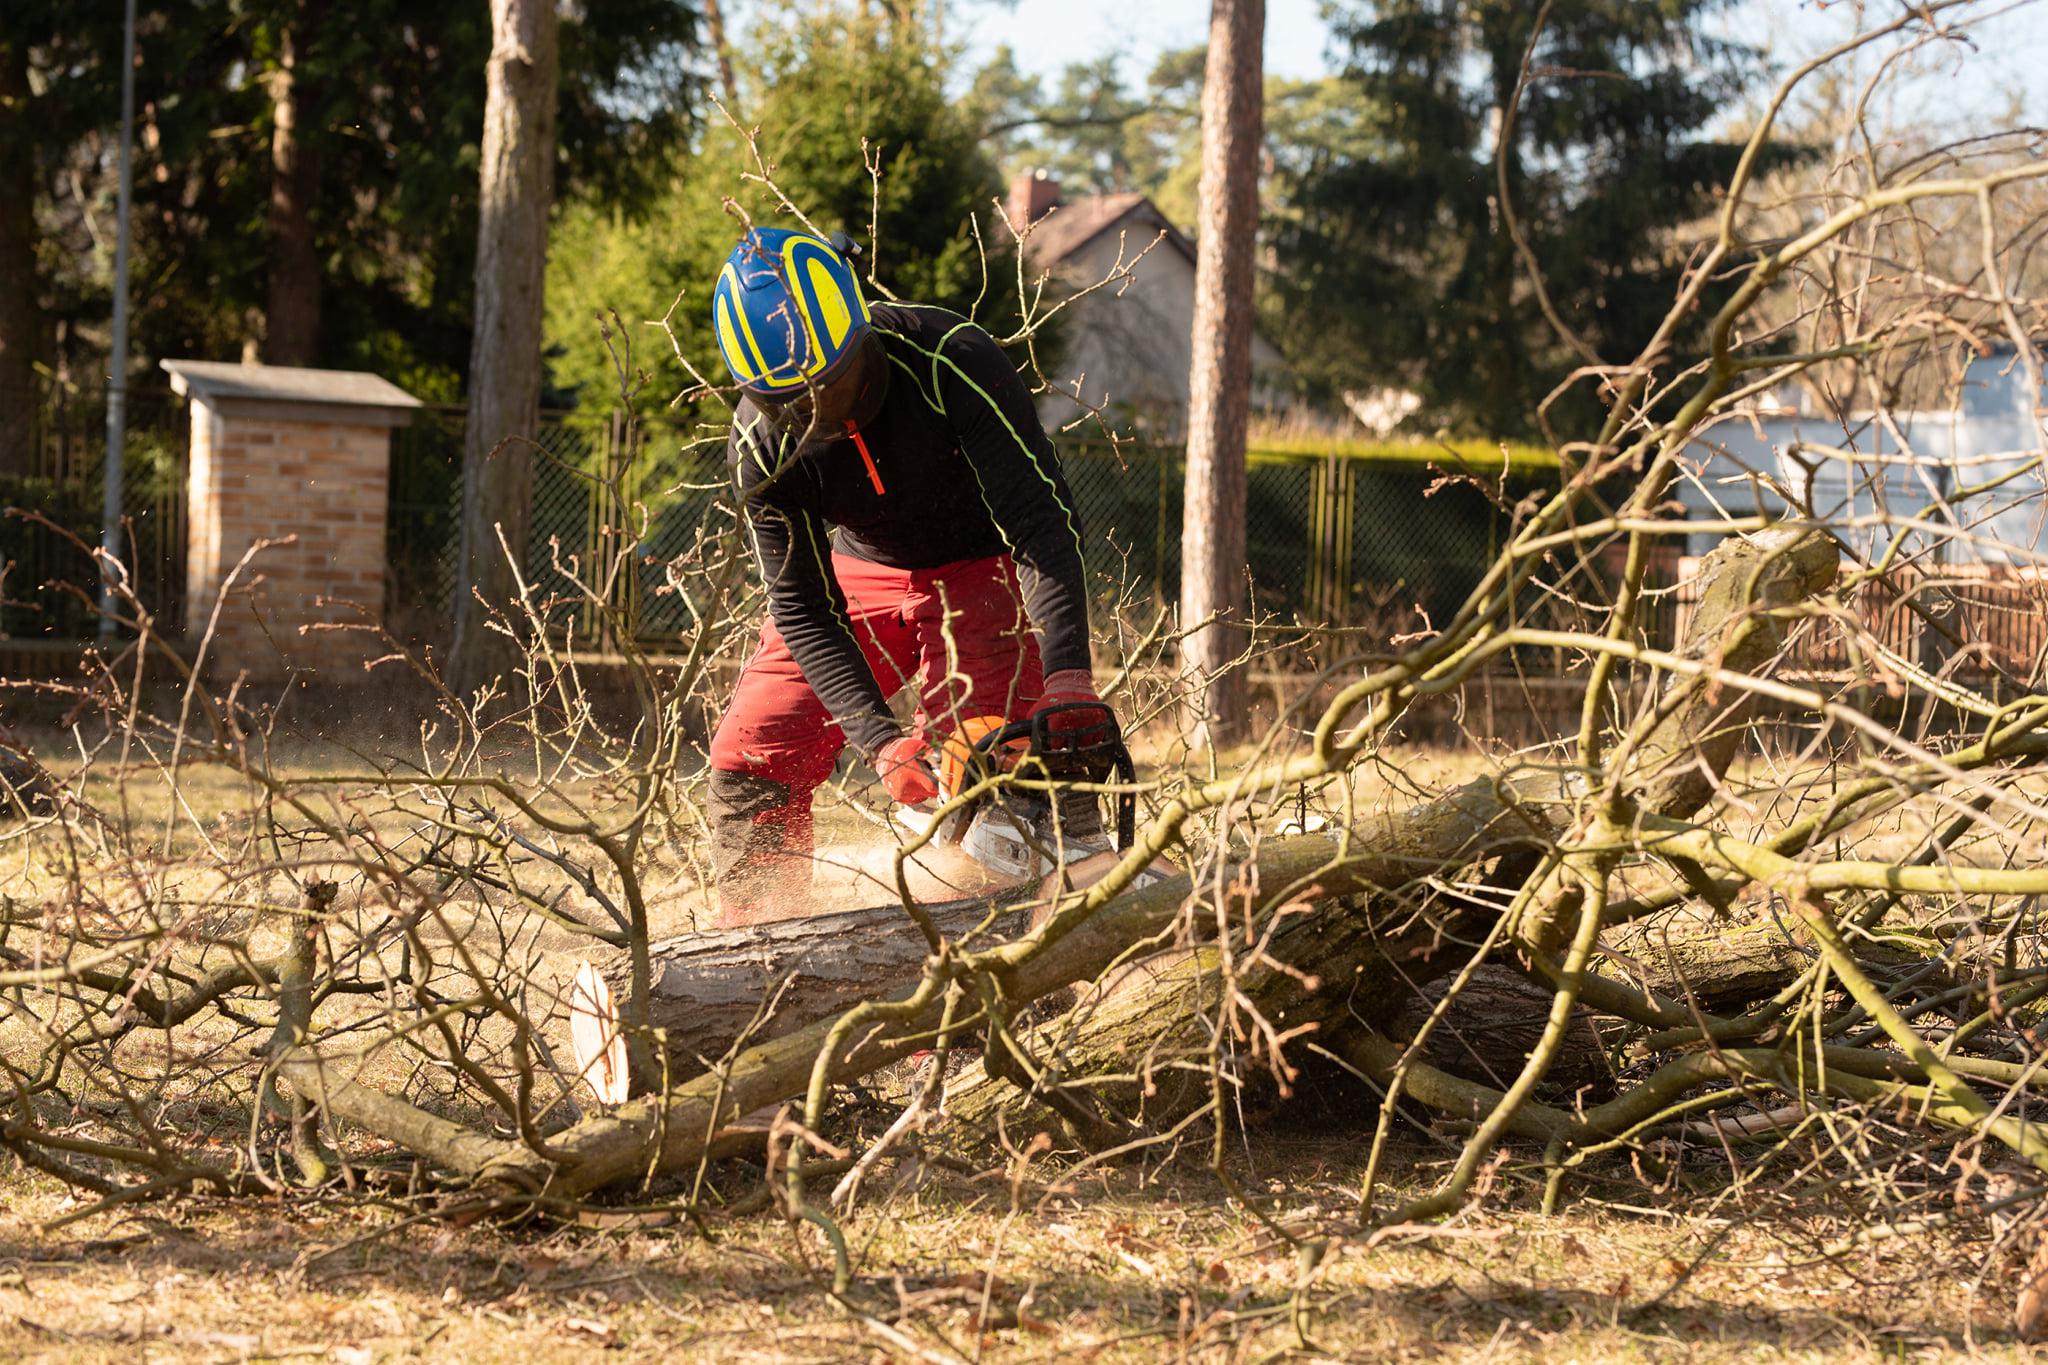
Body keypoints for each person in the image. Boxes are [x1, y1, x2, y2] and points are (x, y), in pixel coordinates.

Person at [706, 226, 1115, 926]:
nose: (817, 411)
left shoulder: (950, 359)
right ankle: (758, 952)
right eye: (793, 401)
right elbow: (803, 603)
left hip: (980, 565)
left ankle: (996, 965)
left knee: (990, 762)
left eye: (829, 385)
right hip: (863, 569)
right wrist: (879, 738)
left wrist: (1068, 674)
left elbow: (1041, 521)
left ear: (860, 333)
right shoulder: (762, 443)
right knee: (754, 744)